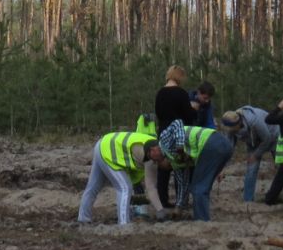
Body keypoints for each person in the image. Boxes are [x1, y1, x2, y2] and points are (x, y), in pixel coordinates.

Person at [77, 129, 170, 226]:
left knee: (93, 187)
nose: (169, 166)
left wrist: (160, 210)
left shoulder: (153, 154)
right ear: (156, 150)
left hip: (102, 144)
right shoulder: (149, 155)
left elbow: (150, 187)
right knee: (125, 187)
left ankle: (83, 219)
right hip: (108, 151)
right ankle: (124, 223)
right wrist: (160, 210)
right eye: (167, 161)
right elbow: (150, 187)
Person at [158, 118, 233, 222]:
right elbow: (182, 185)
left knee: (198, 188)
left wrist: (180, 147)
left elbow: (177, 122)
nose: (169, 169)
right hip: (225, 145)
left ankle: (202, 221)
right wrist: (178, 208)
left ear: (160, 159)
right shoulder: (175, 162)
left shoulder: (164, 141)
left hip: (210, 144)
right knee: (203, 187)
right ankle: (203, 219)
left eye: (164, 167)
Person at [221, 105, 283, 202]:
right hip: (253, 142)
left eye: (231, 129)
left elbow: (267, 139)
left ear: (237, 123)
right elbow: (229, 147)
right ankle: (248, 201)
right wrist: (222, 167)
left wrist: (255, 155)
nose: (230, 131)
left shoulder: (254, 121)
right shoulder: (230, 125)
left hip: (273, 137)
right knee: (251, 170)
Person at [154, 65, 195, 209]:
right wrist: (194, 109)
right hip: (178, 135)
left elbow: (158, 115)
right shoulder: (181, 93)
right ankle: (180, 201)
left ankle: (162, 201)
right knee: (180, 166)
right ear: (180, 77)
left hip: (163, 132)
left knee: (163, 169)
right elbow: (189, 116)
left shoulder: (160, 93)